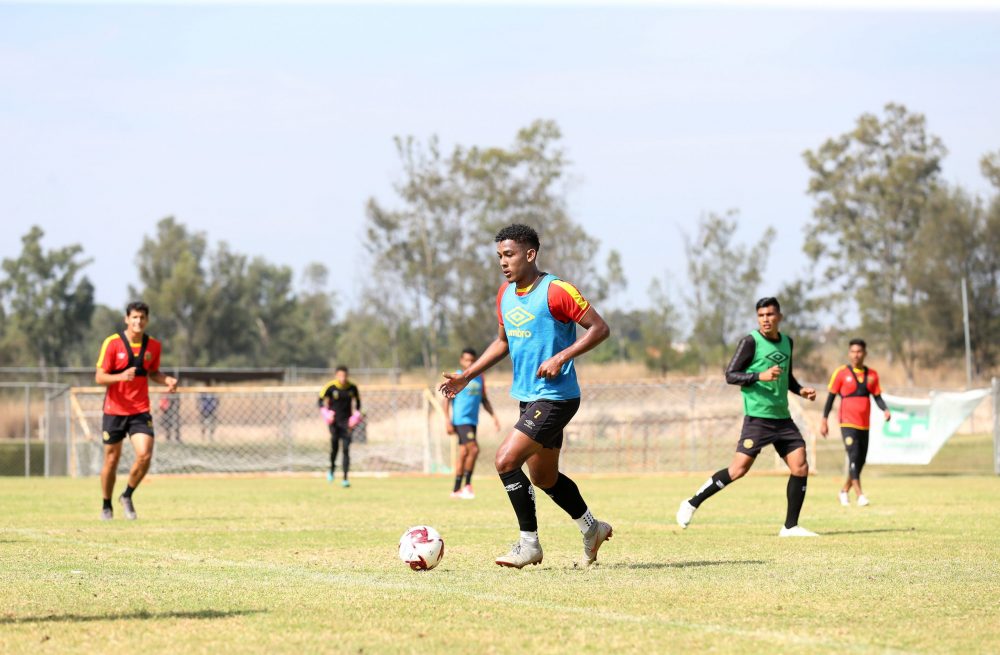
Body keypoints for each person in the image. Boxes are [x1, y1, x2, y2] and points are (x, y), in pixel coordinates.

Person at [439, 223, 614, 569]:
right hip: (529, 398)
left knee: (505, 461)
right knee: (544, 478)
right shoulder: (504, 295)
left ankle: (529, 544)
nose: (503, 262)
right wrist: (466, 376)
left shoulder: (557, 290)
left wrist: (561, 357)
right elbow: (503, 343)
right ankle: (591, 528)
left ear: (530, 254)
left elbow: (600, 328)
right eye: (499, 256)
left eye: (510, 254)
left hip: (557, 397)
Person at [676, 297, 819, 537]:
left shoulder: (787, 342)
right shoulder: (750, 342)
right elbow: (731, 375)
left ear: (779, 317)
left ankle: (790, 527)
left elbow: (788, 377)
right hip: (758, 418)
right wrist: (758, 376)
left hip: (782, 417)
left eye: (770, 315)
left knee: (800, 466)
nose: (766, 319)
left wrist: (800, 389)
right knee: (738, 470)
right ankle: (692, 502)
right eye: (761, 315)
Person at [95, 301, 178, 520]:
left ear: (147, 320)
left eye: (142, 317)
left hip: (140, 410)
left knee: (145, 455)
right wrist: (121, 376)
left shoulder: (153, 346)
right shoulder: (112, 344)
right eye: (134, 317)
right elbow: (100, 377)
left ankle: (127, 494)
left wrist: (166, 379)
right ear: (127, 319)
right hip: (114, 410)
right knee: (111, 461)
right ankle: (106, 505)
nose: (138, 321)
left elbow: (153, 373)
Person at [820, 338, 890, 507]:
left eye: (859, 351)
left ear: (865, 353)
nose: (856, 355)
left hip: (864, 424)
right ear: (849, 353)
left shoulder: (872, 375)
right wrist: (824, 420)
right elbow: (830, 398)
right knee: (853, 456)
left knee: (860, 460)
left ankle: (844, 490)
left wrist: (885, 409)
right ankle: (860, 495)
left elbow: (877, 397)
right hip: (847, 423)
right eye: (853, 351)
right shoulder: (841, 373)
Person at [443, 347, 501, 499]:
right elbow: (447, 400)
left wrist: (494, 416)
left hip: (472, 421)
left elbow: (484, 399)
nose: (469, 363)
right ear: (461, 361)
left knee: (463, 453)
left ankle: (456, 490)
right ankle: (467, 486)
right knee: (474, 450)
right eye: (466, 360)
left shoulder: (479, 377)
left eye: (472, 360)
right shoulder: (458, 376)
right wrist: (447, 420)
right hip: (461, 420)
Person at [318, 365, 361, 487]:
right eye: (340, 375)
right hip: (334, 423)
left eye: (345, 376)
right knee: (335, 448)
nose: (343, 378)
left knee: (346, 449)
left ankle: (345, 478)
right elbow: (320, 401)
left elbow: (358, 404)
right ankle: (332, 469)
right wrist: (326, 413)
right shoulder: (330, 387)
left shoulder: (352, 388)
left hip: (347, 423)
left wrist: (355, 417)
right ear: (336, 376)